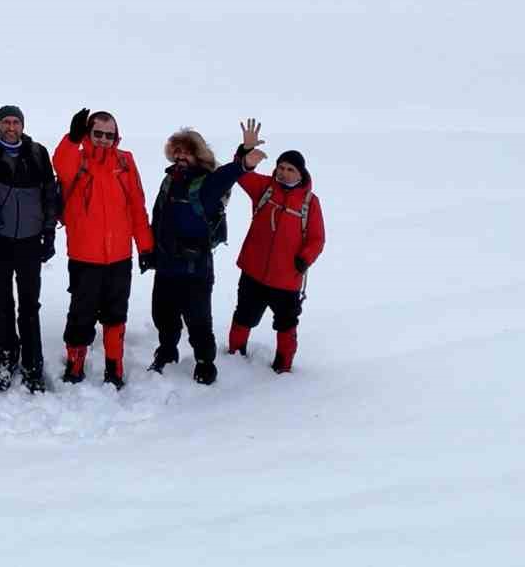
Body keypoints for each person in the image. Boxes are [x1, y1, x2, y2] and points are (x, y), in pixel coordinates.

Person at [0, 74, 59, 393]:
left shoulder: (38, 153)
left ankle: (33, 363)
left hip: (30, 241)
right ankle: (7, 357)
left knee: (29, 305)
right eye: (5, 122)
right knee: (2, 302)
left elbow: (49, 194)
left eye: (15, 122)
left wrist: (49, 233)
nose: (11, 127)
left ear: (22, 125)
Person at [147, 121, 264, 385]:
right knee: (163, 315)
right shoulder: (169, 180)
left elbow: (229, 174)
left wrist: (245, 154)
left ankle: (205, 362)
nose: (180, 156)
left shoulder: (207, 184)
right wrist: (150, 250)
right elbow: (158, 217)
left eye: (186, 152)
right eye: (176, 150)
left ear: (198, 156)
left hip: (195, 269)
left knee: (198, 321)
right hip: (166, 265)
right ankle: (167, 350)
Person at [52, 108, 152, 389]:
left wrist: (145, 246)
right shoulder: (77, 160)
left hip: (120, 257)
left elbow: (136, 206)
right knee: (81, 314)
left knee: (116, 314)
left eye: (110, 135)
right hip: (85, 256)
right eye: (98, 134)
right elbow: (61, 164)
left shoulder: (126, 161)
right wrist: (72, 139)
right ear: (88, 134)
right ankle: (75, 363)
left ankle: (114, 366)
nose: (104, 140)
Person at [228, 149, 325, 374]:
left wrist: (305, 258)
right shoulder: (265, 187)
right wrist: (244, 153)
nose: (284, 173)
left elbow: (317, 238)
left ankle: (283, 367)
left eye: (290, 169)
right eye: (281, 167)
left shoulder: (310, 203)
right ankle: (234, 355)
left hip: (286, 279)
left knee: (286, 323)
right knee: (243, 315)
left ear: (301, 173)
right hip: (253, 271)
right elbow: (239, 174)